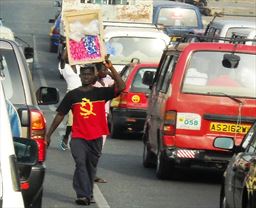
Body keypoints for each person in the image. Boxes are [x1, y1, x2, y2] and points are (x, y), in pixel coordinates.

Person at [46, 60, 125, 205]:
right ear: (80, 76)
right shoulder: (73, 95)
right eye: (84, 74)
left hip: (96, 137)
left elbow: (121, 86)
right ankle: (82, 195)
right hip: (78, 137)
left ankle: (88, 193)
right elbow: (60, 115)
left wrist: (110, 68)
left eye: (89, 74)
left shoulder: (102, 92)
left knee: (90, 167)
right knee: (81, 163)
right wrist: (48, 134)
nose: (86, 76)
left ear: (95, 76)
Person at [59, 49, 82, 150]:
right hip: (71, 96)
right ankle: (66, 136)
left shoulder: (79, 66)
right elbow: (63, 58)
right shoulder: (64, 67)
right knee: (71, 121)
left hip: (82, 95)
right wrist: (68, 46)